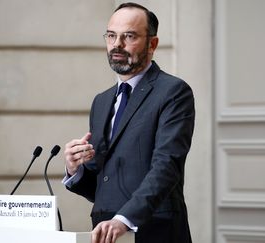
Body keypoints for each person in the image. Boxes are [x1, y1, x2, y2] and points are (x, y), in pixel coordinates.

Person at [63, 2, 195, 243]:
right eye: (111, 35)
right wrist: (76, 168)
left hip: (156, 231)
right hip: (105, 233)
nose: (117, 44)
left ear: (152, 44)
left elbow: (167, 167)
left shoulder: (174, 92)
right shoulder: (101, 101)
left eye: (129, 36)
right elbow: (103, 184)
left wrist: (123, 219)